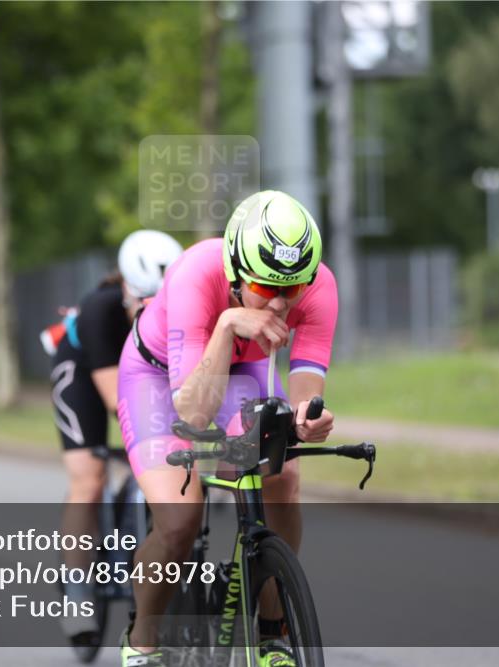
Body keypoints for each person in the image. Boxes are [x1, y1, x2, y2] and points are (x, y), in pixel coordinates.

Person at [116, 191, 337, 667]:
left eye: (293, 289)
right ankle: (143, 639)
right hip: (158, 377)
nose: (279, 304)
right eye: (264, 288)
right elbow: (192, 416)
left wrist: (306, 420)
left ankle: (273, 630)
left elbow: (303, 393)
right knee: (178, 521)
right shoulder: (197, 273)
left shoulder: (319, 286)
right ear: (235, 269)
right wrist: (226, 324)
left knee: (284, 474)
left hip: (246, 372)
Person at [47, 230, 183, 642]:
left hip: (142, 373)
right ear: (125, 287)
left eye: (162, 304)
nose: (151, 311)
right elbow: (116, 400)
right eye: (143, 302)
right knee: (89, 480)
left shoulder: (183, 303)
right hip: (84, 375)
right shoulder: (100, 311)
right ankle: (76, 590)